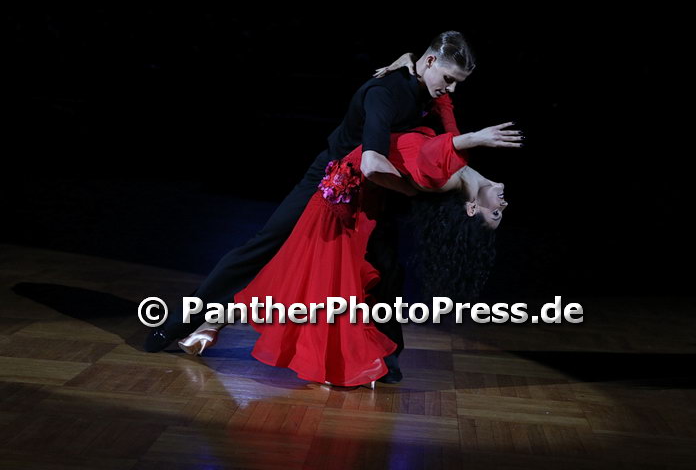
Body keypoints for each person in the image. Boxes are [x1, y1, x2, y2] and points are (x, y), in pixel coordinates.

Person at [144, 30, 520, 382]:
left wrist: (468, 172)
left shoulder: (430, 90)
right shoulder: (384, 92)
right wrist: (416, 187)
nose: (450, 89)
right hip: (331, 182)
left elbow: (448, 144)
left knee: (385, 268)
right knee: (264, 248)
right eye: (449, 79)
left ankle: (384, 359)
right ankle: (181, 321)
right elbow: (372, 161)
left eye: (457, 83)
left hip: (372, 190)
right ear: (430, 60)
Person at [177, 122, 513, 387]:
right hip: (344, 201)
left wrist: (476, 138)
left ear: (472, 209)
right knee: (294, 282)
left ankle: (215, 326)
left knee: (298, 284)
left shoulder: (443, 181)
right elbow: (442, 124)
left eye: (495, 213)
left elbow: (424, 154)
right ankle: (212, 325)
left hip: (343, 208)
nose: (504, 204)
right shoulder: (461, 172)